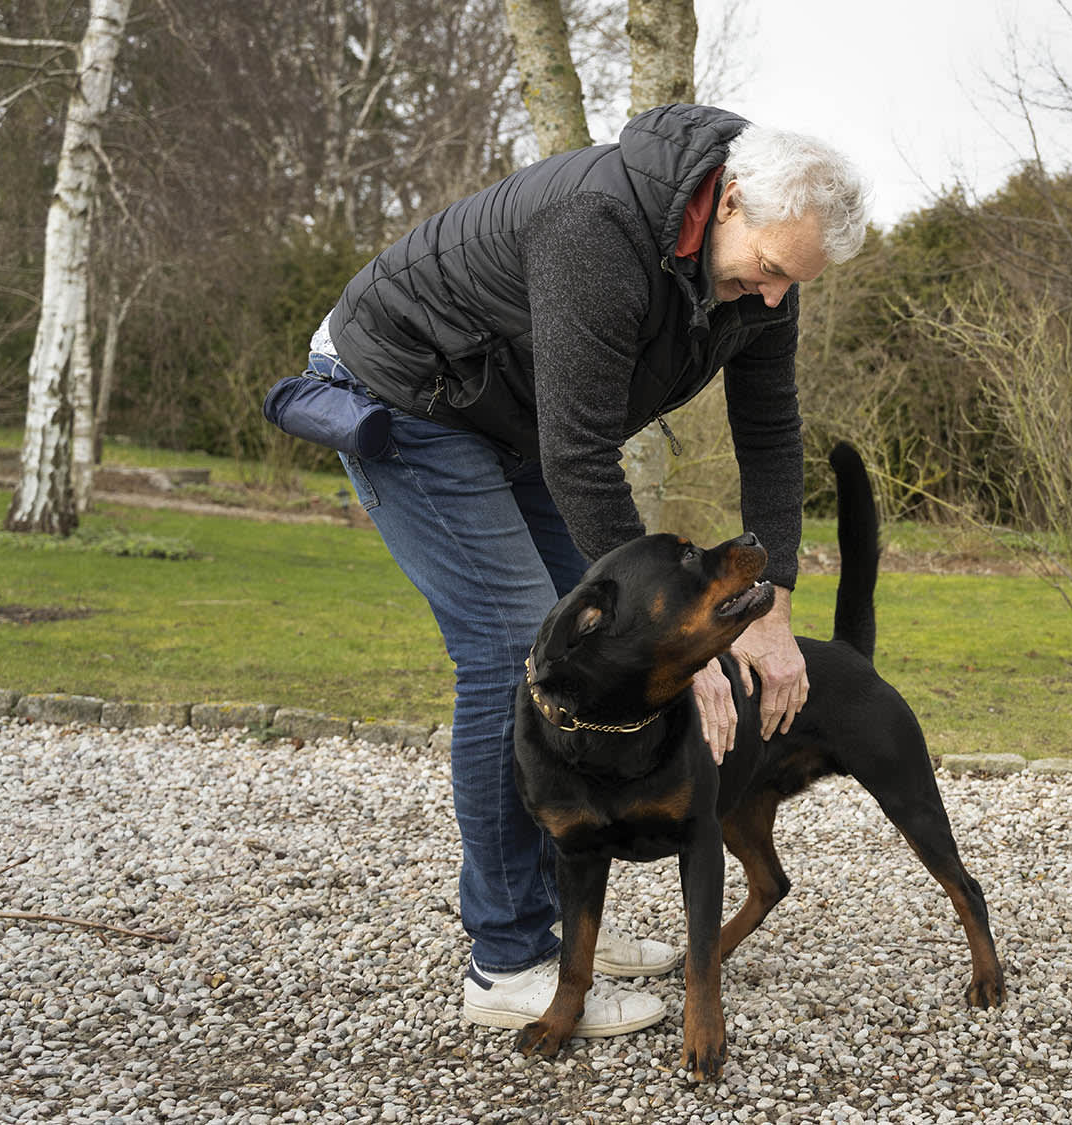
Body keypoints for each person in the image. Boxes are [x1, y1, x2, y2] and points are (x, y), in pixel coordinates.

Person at [299, 103, 869, 1039]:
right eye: (769, 273)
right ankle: (509, 957)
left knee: (596, 666)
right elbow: (579, 454)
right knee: (519, 646)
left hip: (511, 418)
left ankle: (573, 927)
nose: (773, 300)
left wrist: (766, 608)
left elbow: (770, 434)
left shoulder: (768, 271)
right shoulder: (599, 225)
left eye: (792, 285)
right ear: (728, 202)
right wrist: (692, 632)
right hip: (407, 391)